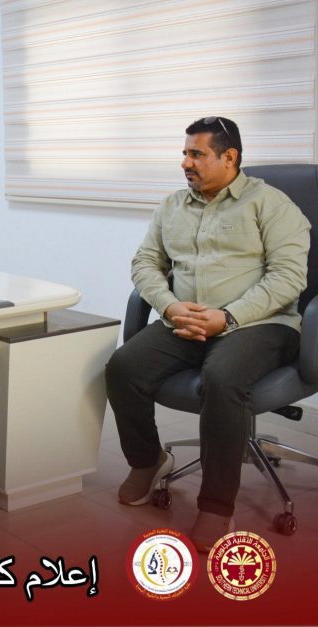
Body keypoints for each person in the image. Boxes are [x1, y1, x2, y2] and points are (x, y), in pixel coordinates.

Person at [106, 116, 310, 551]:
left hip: (259, 323)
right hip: (186, 320)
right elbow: (145, 263)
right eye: (184, 153)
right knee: (123, 367)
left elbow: (289, 277)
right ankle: (148, 461)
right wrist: (170, 306)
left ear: (229, 157)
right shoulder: (172, 206)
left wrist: (228, 317)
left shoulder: (271, 205)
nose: (185, 163)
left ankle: (216, 506)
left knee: (222, 377)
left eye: (196, 154)